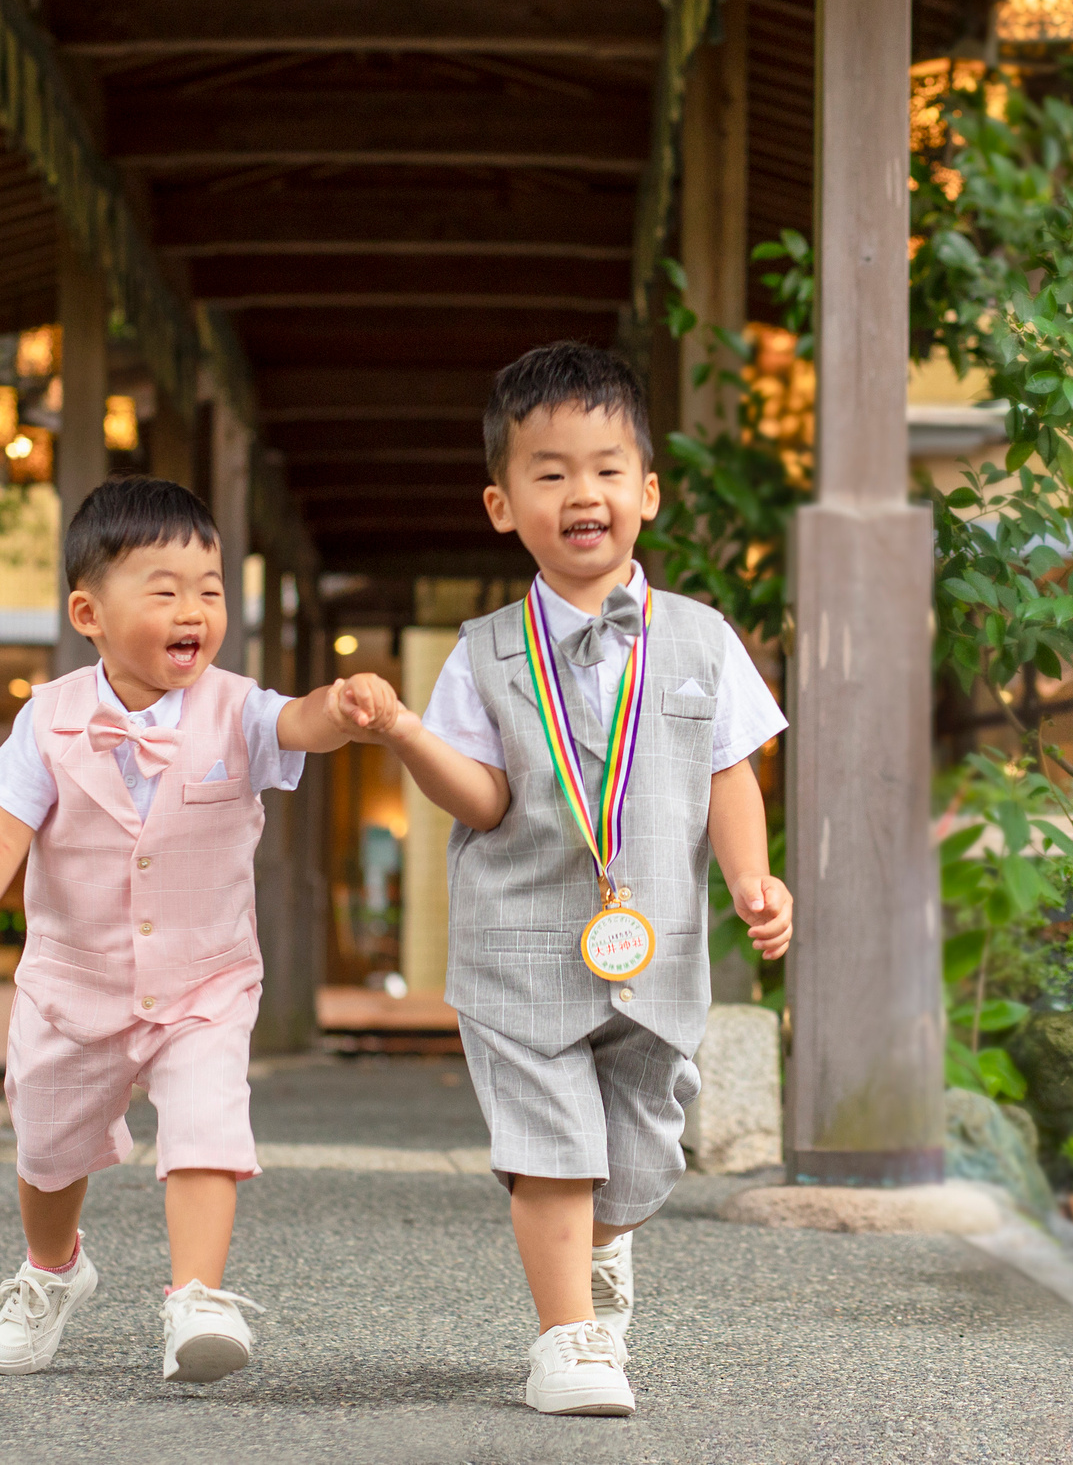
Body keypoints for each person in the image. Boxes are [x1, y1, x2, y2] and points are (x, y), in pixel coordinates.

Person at [339, 342, 795, 1417]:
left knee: (640, 1151)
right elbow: (485, 798)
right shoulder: (485, 653)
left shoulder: (702, 640)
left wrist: (752, 878)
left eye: (602, 468)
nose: (579, 492)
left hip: (658, 946)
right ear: (503, 505)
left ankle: (602, 1251)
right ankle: (567, 1341)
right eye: (548, 473)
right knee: (552, 1151)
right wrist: (405, 732)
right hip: (519, 943)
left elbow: (729, 772)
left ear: (646, 490)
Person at [0, 475, 369, 1384]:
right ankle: (53, 1270)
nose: (194, 610)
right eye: (163, 589)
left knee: (208, 1121)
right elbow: (4, 825)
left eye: (209, 589)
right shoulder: (48, 717)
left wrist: (339, 707)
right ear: (88, 611)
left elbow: (297, 721)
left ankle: (197, 1298)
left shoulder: (236, 706)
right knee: (47, 1148)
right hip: (73, 982)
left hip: (204, 977)